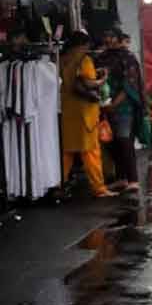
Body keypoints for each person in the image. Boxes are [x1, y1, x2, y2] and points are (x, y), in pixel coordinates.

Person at [60, 31, 116, 198]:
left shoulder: (62, 60)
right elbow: (88, 82)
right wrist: (102, 80)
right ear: (83, 44)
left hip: (67, 111)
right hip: (85, 113)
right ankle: (99, 188)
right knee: (91, 152)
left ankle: (58, 185)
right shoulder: (84, 60)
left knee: (67, 152)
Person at [97, 29, 145, 193]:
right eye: (106, 36)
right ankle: (121, 178)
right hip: (105, 105)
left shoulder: (128, 58)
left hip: (124, 107)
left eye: (112, 37)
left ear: (118, 39)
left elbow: (130, 83)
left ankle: (133, 179)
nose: (109, 40)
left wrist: (115, 104)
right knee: (110, 142)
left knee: (125, 141)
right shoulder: (101, 58)